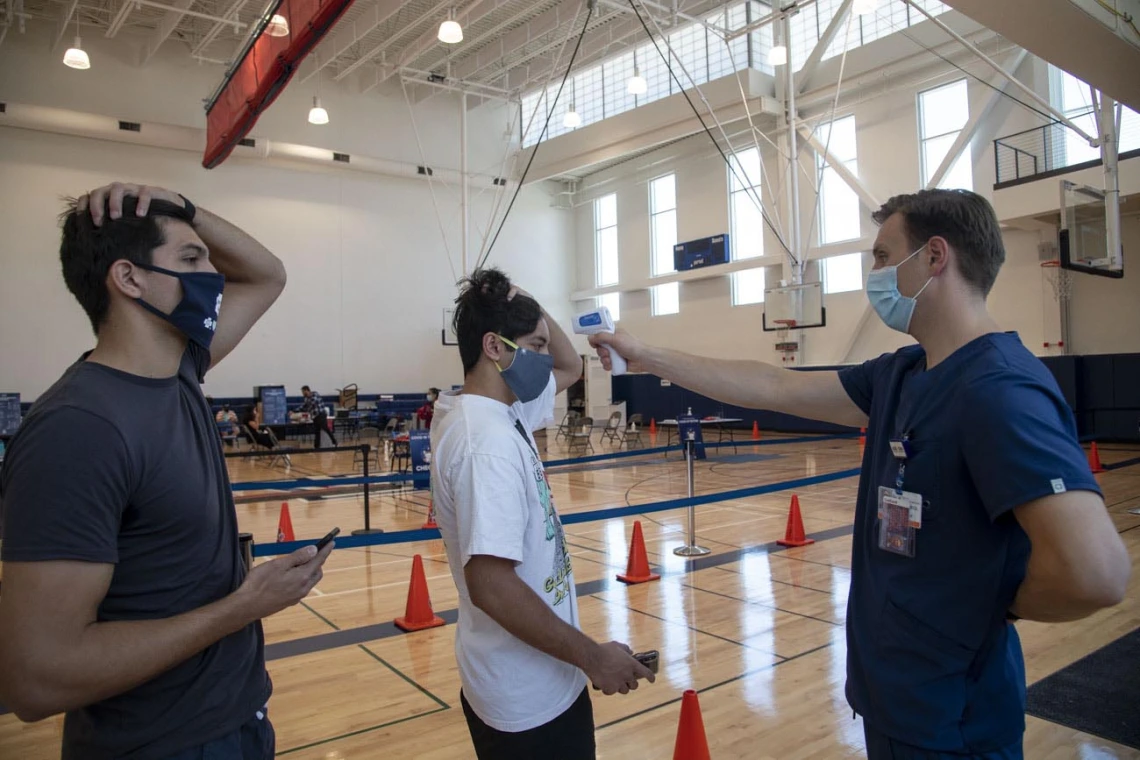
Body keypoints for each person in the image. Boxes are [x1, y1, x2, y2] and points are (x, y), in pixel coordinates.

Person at [587, 189, 1130, 760]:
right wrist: (645, 356)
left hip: (952, 722)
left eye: (881, 255)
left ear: (934, 257)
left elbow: (1096, 573)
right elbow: (774, 385)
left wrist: (996, 604)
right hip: (892, 701)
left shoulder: (1000, 390)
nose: (874, 273)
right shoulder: (903, 373)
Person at [0, 183, 334, 760]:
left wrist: (178, 205)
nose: (214, 273)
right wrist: (243, 606)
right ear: (129, 279)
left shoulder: (180, 370)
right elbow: (38, 678)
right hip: (161, 744)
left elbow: (267, 274)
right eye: (191, 259)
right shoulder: (78, 428)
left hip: (238, 719)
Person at [430, 268, 655, 760]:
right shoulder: (483, 444)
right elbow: (491, 584)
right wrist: (593, 656)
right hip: (526, 700)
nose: (544, 355)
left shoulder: (497, 410)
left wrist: (524, 299)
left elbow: (571, 365)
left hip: (543, 676)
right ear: (494, 347)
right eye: (534, 344)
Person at [298, 385, 336, 449]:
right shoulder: (306, 399)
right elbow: (304, 407)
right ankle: (316, 446)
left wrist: (306, 406)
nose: (302, 394)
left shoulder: (315, 395)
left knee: (325, 428)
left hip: (321, 415)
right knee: (317, 431)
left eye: (303, 392)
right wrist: (294, 411)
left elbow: (312, 403)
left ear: (307, 390)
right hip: (315, 416)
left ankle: (334, 442)